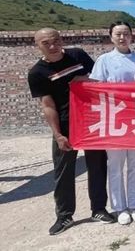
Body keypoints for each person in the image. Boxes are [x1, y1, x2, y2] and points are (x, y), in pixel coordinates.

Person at [27, 28, 114, 235]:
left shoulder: (78, 55)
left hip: (91, 122)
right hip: (66, 126)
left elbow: (98, 80)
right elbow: (48, 105)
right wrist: (58, 134)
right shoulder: (37, 73)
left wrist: (82, 79)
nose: (53, 46)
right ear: (37, 45)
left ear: (62, 40)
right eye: (46, 43)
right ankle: (64, 216)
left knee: (97, 166)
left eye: (56, 41)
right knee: (63, 172)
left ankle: (99, 209)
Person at [89, 22, 135, 225]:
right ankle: (120, 207)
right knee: (115, 165)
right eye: (118, 34)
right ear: (111, 37)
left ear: (132, 36)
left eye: (126, 34)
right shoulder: (104, 60)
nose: (122, 38)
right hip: (114, 119)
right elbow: (96, 89)